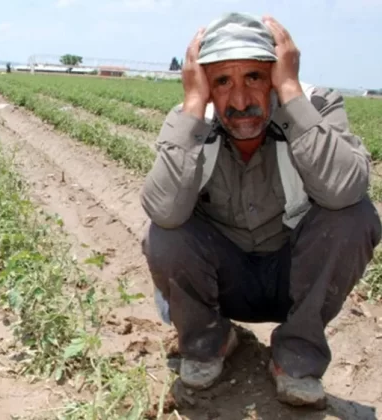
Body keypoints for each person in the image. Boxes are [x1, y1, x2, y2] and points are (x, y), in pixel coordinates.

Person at [140, 12, 381, 408]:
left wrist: (290, 92)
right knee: (165, 232)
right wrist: (194, 104)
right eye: (221, 82)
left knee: (354, 216)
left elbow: (344, 190)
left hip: (294, 278)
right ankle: (209, 341)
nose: (239, 100)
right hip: (224, 281)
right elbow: (164, 212)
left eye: (255, 77)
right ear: (204, 85)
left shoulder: (316, 107)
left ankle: (296, 357)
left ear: (277, 74)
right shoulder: (190, 121)